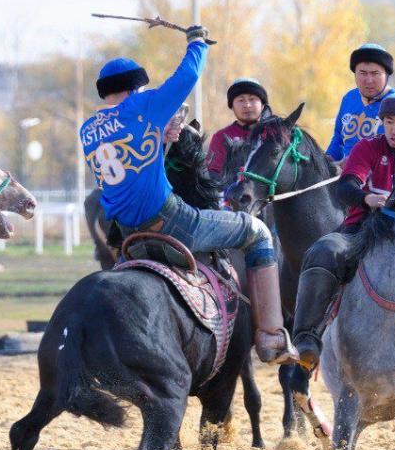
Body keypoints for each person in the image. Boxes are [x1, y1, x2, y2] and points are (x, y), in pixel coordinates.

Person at [79, 28, 297, 364]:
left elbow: (131, 163)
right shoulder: (142, 105)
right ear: (135, 87)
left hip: (126, 234)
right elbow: (189, 74)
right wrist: (197, 43)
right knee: (258, 233)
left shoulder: (89, 128)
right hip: (172, 222)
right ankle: (271, 337)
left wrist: (163, 138)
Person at [289, 91, 395, 383]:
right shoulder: (367, 149)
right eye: (389, 121)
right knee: (324, 250)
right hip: (362, 230)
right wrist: (365, 197)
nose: (394, 129)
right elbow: (344, 188)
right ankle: (307, 339)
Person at [325, 44, 395, 164]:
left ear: (387, 75)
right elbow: (338, 138)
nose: (369, 80)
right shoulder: (349, 98)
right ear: (355, 74)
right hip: (345, 175)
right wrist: (326, 161)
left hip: (382, 177)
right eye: (363, 73)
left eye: (375, 73)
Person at [206, 78, 271, 177]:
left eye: (252, 99)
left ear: (262, 105)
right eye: (241, 100)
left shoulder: (273, 134)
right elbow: (213, 175)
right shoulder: (221, 137)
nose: (247, 105)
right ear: (232, 106)